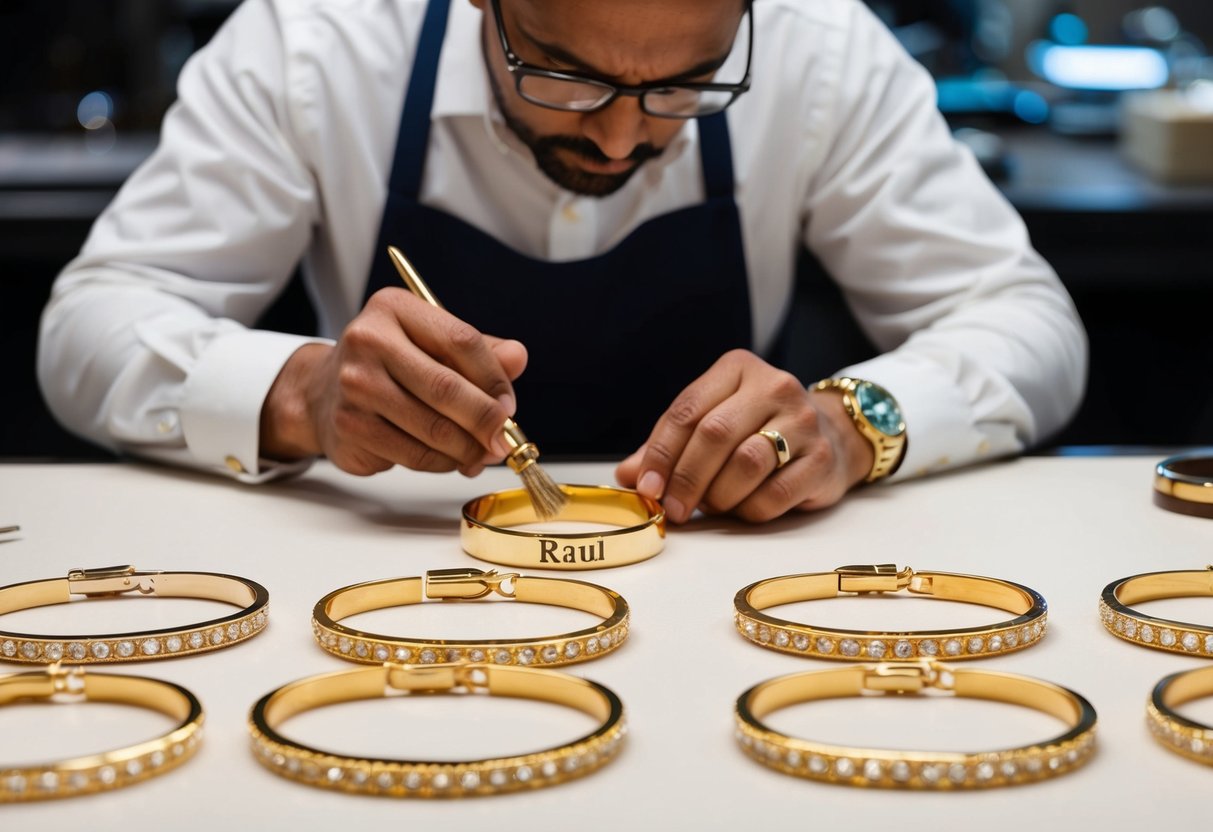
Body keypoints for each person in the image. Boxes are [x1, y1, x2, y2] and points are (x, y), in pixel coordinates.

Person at [38, 0, 1086, 524]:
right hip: (396, 587)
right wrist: (299, 395)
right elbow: (91, 322)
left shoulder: (822, 46)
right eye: (563, 75)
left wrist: (855, 426)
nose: (622, 140)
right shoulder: (316, 41)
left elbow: (1028, 321)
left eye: (688, 84)